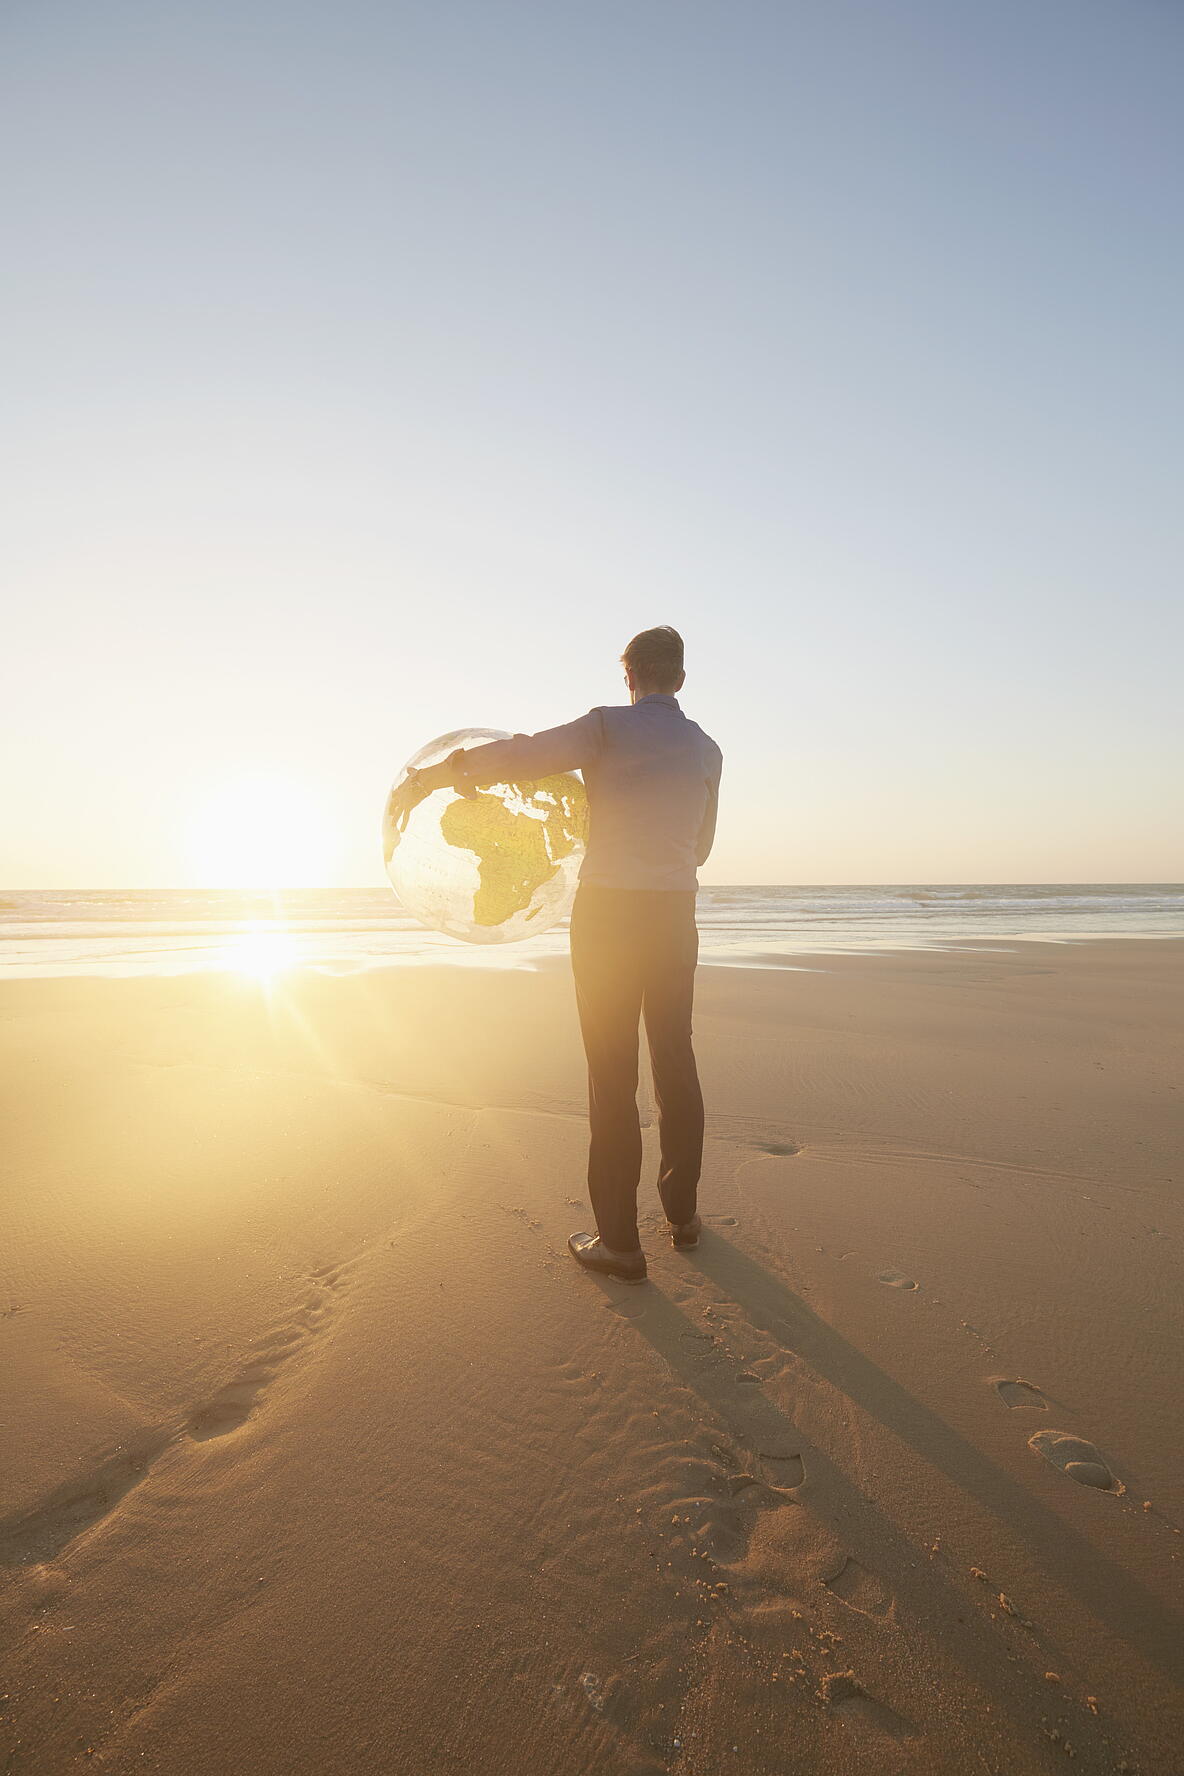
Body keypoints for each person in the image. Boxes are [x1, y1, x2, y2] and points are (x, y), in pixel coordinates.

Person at [386, 626, 722, 1283]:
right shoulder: (707, 750)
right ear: (680, 680)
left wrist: (427, 778)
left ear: (630, 677)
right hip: (674, 914)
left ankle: (621, 1244)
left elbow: (520, 757)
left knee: (610, 1071)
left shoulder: (604, 729)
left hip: (608, 918)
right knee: (675, 1058)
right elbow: (702, 847)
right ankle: (682, 1219)